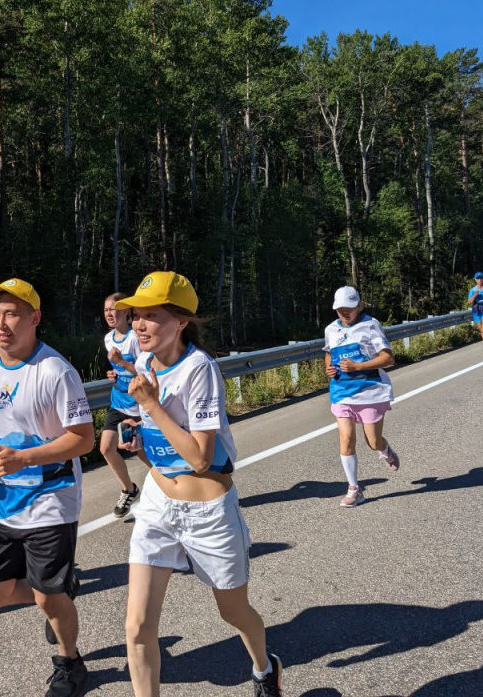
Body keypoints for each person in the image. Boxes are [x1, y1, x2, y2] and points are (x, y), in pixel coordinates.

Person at [114, 271, 283, 697]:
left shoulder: (199, 369)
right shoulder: (145, 365)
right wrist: (140, 438)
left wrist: (150, 403)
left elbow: (201, 457)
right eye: (136, 315)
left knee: (234, 612)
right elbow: (166, 442)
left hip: (207, 511)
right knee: (137, 627)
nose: (139, 324)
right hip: (156, 503)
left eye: (151, 316)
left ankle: (264, 668)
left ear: (181, 321)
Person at [0, 278, 95, 697]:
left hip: (50, 499)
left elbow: (84, 439)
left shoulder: (56, 371)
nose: (2, 323)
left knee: (48, 597)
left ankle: (70, 662)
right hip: (2, 497)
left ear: (34, 318)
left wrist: (26, 458)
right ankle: (57, 590)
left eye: (12, 314)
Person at [323, 286, 400, 508]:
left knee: (373, 441)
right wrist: (329, 369)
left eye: (349, 308)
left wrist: (358, 366)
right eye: (340, 309)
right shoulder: (331, 329)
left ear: (359, 306)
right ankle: (354, 489)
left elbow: (388, 358)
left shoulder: (370, 325)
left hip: (370, 391)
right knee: (346, 438)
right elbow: (329, 353)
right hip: (341, 391)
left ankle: (385, 450)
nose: (345, 313)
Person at [102, 292, 141, 518]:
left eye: (114, 309)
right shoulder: (108, 339)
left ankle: (174, 488)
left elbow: (144, 371)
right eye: (106, 309)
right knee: (106, 448)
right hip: (118, 400)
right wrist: (114, 373)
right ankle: (129, 490)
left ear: (126, 311)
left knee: (145, 454)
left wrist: (121, 363)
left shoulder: (136, 338)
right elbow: (120, 370)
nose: (109, 313)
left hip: (137, 405)